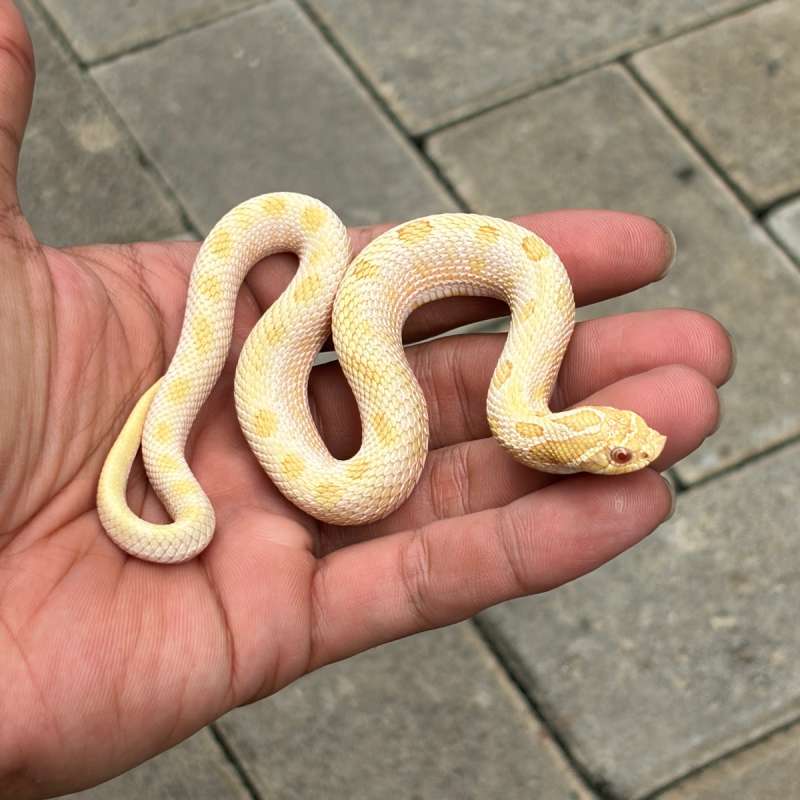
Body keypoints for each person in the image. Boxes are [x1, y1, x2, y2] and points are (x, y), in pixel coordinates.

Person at [0, 2, 732, 797]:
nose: (638, 447)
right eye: (622, 448)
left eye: (621, 444)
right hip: (309, 280)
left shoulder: (530, 363)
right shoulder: (517, 406)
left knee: (323, 355)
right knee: (304, 327)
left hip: (368, 343)